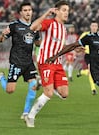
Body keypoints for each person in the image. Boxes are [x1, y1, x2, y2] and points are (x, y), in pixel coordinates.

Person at [0, 2, 41, 120]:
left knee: (33, 85)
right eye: (25, 10)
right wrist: (2, 34)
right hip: (16, 62)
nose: (28, 12)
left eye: (29, 10)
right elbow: (1, 40)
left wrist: (39, 34)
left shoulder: (35, 27)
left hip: (29, 62)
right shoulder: (14, 26)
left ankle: (25, 113)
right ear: (20, 13)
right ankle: (1, 77)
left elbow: (38, 43)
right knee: (10, 90)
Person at [24, 0, 70, 128]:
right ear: (56, 11)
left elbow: (59, 46)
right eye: (64, 10)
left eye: (68, 11)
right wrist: (46, 14)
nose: (67, 13)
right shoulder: (49, 23)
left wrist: (74, 49)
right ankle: (30, 116)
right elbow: (32, 27)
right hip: (46, 62)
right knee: (48, 93)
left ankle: (42, 81)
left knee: (64, 93)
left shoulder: (64, 29)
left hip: (58, 64)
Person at [77, 20, 98, 95]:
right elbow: (79, 43)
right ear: (90, 27)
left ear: (97, 27)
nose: (94, 27)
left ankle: (82, 72)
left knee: (92, 72)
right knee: (91, 72)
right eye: (93, 26)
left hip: (96, 56)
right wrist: (80, 48)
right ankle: (93, 89)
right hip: (88, 55)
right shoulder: (85, 34)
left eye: (95, 26)